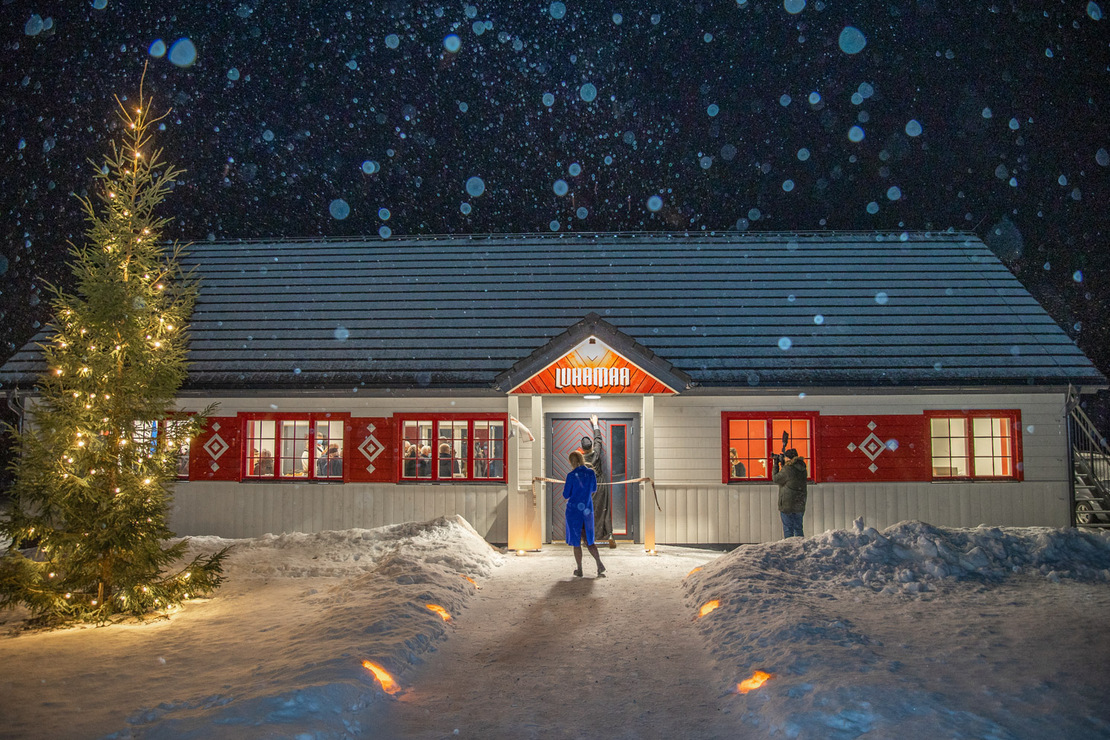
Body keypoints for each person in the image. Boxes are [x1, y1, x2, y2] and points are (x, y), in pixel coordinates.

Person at [562, 450, 606, 578]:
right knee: (589, 540)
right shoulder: (590, 473)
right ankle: (599, 564)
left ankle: (580, 569)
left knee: (576, 542)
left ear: (571, 462)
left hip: (573, 512)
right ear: (582, 459)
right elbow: (593, 489)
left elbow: (566, 494)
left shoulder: (571, 476)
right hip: (586, 510)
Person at [580, 414, 614, 547]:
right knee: (604, 509)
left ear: (582, 449)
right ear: (592, 446)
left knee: (588, 511)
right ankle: (609, 534)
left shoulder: (581, 460)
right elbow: (598, 440)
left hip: (588, 487)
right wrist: (595, 424)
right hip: (600, 483)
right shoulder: (597, 453)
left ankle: (589, 537)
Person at [773, 448, 808, 538]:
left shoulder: (788, 469)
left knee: (788, 529)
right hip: (799, 502)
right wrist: (784, 465)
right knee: (798, 528)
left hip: (787, 503)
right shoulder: (802, 468)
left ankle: (789, 548)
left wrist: (776, 465)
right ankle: (800, 547)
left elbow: (776, 479)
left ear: (788, 458)